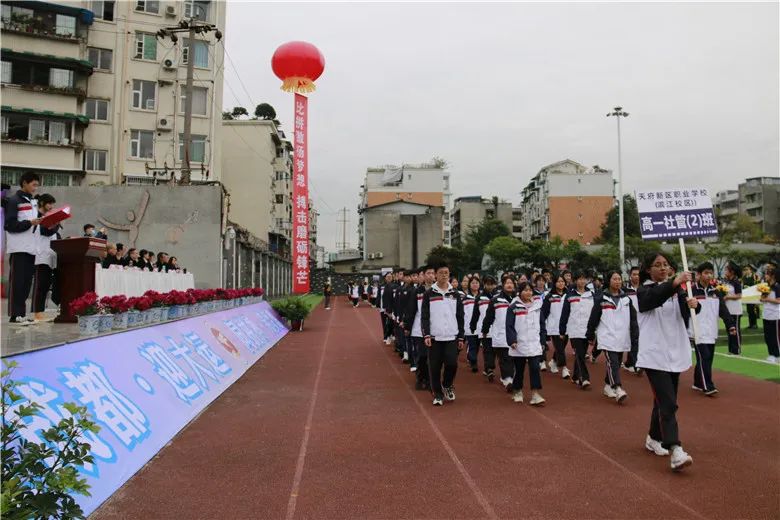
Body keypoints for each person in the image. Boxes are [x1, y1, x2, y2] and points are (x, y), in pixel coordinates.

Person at [636, 251, 700, 471]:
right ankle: (675, 449)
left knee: (662, 401)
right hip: (654, 355)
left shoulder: (678, 291)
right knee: (668, 402)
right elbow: (652, 299)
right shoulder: (643, 290)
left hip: (675, 352)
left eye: (665, 264)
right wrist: (675, 283)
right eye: (657, 265)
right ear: (648, 269)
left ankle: (653, 437)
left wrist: (693, 304)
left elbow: (685, 311)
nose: (662, 268)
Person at [586, 271, 638, 404]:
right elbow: (594, 318)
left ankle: (608, 385)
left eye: (619, 279)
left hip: (622, 337)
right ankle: (618, 388)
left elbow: (633, 319)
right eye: (614, 279)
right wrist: (590, 334)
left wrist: (634, 335)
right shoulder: (601, 298)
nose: (617, 281)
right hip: (607, 336)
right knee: (613, 362)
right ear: (608, 281)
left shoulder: (626, 299)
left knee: (616, 362)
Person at [421, 262, 465, 406]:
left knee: (452, 364)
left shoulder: (455, 294)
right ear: (435, 275)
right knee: (434, 367)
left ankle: (447, 385)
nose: (444, 275)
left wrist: (461, 336)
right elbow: (425, 316)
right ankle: (438, 394)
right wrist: (426, 334)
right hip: (434, 337)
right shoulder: (429, 294)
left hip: (451, 336)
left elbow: (460, 316)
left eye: (446, 272)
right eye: (441, 273)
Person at [690, 262, 736, 396]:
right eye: (706, 273)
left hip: (711, 330)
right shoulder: (691, 291)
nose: (709, 275)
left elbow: (723, 310)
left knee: (707, 358)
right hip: (696, 331)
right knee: (704, 356)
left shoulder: (715, 292)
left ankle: (698, 382)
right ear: (698, 275)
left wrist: (731, 325)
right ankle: (708, 386)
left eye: (711, 273)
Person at [4, 172, 42, 324]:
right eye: (33, 184)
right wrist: (30, 223)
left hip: (31, 248)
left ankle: (22, 314)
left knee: (26, 283)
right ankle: (15, 314)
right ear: (25, 183)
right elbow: (10, 225)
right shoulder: (14, 201)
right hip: (19, 248)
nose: (35, 188)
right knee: (17, 282)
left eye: (37, 185)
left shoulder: (32, 202)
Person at [506, 281, 546, 405]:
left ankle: (535, 394)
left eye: (530, 290)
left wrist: (543, 340)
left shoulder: (537, 306)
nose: (528, 292)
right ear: (520, 292)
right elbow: (509, 326)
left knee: (535, 367)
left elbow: (542, 324)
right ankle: (517, 390)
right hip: (519, 344)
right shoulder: (513, 307)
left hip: (534, 343)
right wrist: (512, 340)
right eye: (525, 290)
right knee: (519, 369)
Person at [560, 271, 597, 389]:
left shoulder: (591, 294)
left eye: (584, 279)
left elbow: (595, 313)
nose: (581, 281)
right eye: (579, 279)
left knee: (581, 354)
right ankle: (584, 378)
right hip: (574, 329)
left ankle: (576, 376)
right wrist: (562, 330)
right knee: (580, 354)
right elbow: (564, 314)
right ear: (575, 281)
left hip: (587, 329)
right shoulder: (569, 295)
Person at [481, 275, 517, 392]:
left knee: (513, 359)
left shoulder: (518, 300)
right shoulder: (495, 300)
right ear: (503, 285)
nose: (509, 285)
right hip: (501, 335)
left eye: (511, 283)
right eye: (507, 283)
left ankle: (507, 377)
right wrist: (485, 330)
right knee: (505, 358)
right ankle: (507, 379)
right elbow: (488, 318)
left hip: (516, 335)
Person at [31, 194, 62, 322]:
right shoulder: (37, 216)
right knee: (40, 285)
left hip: (50, 256)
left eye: (52, 204)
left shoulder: (48, 218)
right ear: (42, 203)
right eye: (49, 203)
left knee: (46, 285)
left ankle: (41, 311)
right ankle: (37, 311)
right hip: (40, 256)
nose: (51, 206)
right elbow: (46, 231)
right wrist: (56, 224)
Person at [406, 266, 435, 387]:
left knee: (432, 357)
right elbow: (411, 310)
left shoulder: (437, 291)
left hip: (434, 328)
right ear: (422, 276)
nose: (430, 275)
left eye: (433, 273)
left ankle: (429, 380)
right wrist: (408, 327)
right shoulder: (417, 291)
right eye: (428, 273)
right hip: (419, 328)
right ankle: (420, 377)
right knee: (422, 355)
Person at [541, 274, 571, 379]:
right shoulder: (549, 296)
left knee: (561, 347)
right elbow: (544, 312)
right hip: (553, 327)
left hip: (567, 326)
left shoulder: (569, 295)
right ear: (554, 283)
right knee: (560, 348)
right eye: (558, 281)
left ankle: (553, 361)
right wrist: (542, 327)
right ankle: (564, 368)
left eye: (562, 281)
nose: (561, 283)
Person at [470, 275, 497, 382]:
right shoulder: (480, 298)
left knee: (495, 351)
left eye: (492, 284)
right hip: (484, 329)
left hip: (498, 329)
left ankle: (488, 368)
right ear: (484, 285)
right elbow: (475, 314)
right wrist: (472, 325)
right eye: (488, 284)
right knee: (487, 350)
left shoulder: (498, 296)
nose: (490, 286)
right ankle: (489, 368)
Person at [622, 266, 643, 373]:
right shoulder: (625, 290)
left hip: (643, 319)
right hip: (630, 319)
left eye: (638, 274)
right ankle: (636, 364)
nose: (636, 276)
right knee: (633, 341)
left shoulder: (644, 288)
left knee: (639, 342)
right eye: (634, 274)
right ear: (630, 276)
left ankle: (630, 362)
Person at [721, 262, 743, 355]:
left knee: (735, 330)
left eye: (727, 270)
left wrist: (727, 297)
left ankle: (737, 350)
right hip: (728, 309)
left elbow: (739, 295)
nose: (725, 271)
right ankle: (731, 350)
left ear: (732, 272)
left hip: (735, 309)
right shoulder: (726, 281)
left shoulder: (736, 281)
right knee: (729, 329)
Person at [759, 266, 780, 364]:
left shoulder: (777, 286)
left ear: (773, 276)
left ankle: (777, 355)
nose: (765, 276)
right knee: (768, 337)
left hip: (775, 315)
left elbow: (778, 301)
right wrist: (763, 297)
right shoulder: (766, 286)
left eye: (767, 274)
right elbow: (762, 299)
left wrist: (767, 299)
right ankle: (771, 354)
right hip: (766, 314)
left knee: (775, 337)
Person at [463, 276, 481, 373]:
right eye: (473, 283)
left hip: (480, 326)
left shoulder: (483, 297)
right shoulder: (465, 298)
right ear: (469, 285)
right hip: (469, 326)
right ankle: (473, 362)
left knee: (477, 346)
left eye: (477, 283)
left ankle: (472, 358)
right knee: (472, 345)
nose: (475, 284)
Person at [742, 264, 760, 329]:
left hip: (753, 295)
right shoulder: (744, 277)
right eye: (745, 270)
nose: (746, 271)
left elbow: (757, 285)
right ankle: (750, 324)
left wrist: (749, 287)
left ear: (750, 270)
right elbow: (743, 285)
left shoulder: (755, 276)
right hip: (747, 295)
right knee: (749, 310)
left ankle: (755, 324)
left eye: (747, 269)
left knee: (753, 310)